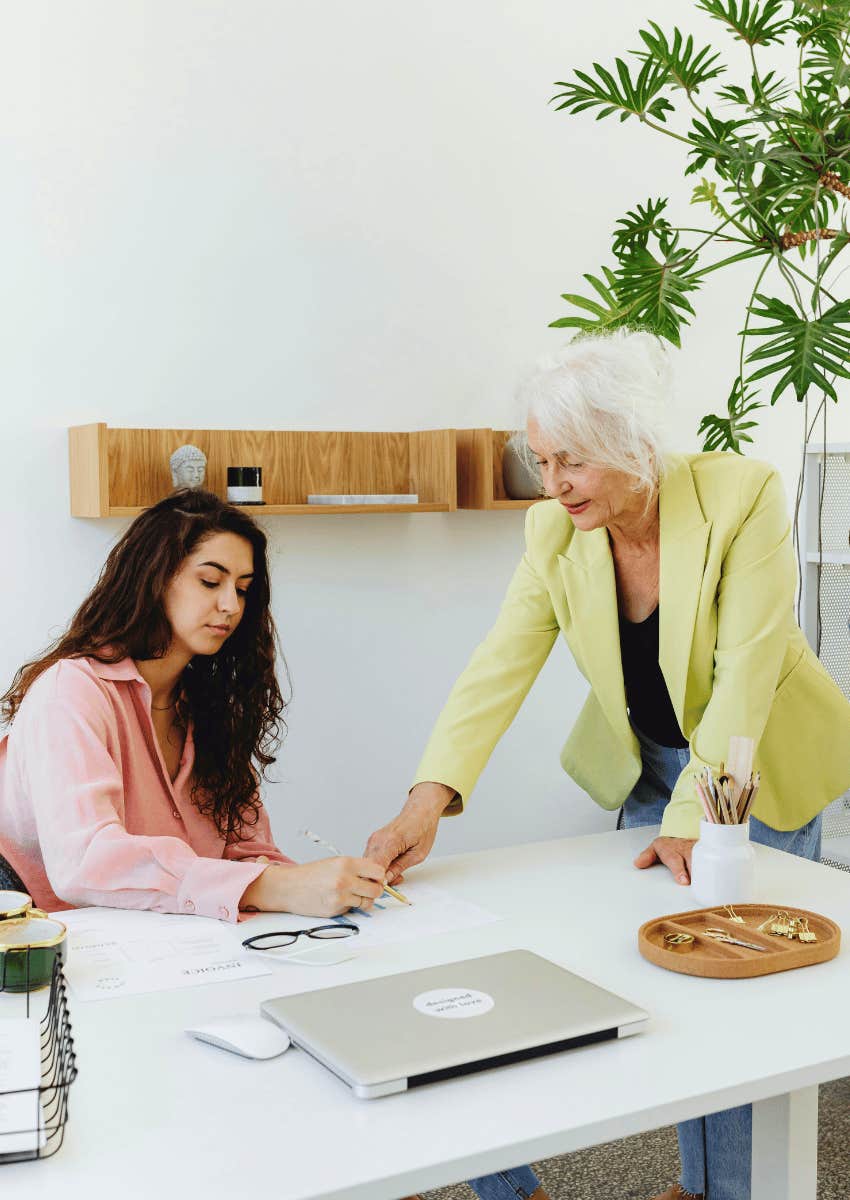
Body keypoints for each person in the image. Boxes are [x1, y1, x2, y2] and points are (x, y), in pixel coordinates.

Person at [366, 329, 850, 1200]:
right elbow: (498, 665)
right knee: (665, 983)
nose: (552, 484)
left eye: (572, 463)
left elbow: (744, 677)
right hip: (651, 768)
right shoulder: (553, 531)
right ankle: (701, 1183)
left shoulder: (744, 495)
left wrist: (689, 828)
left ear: (632, 443)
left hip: (752, 770)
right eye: (543, 460)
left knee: (742, 992)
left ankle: (732, 1191)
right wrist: (426, 801)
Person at [0, 489, 387, 921]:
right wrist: (269, 885)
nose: (230, 606)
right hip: (59, 952)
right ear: (155, 577)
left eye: (242, 589)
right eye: (210, 581)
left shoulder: (210, 706)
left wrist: (332, 885)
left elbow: (247, 851)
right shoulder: (69, 694)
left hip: (184, 946)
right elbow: (85, 861)